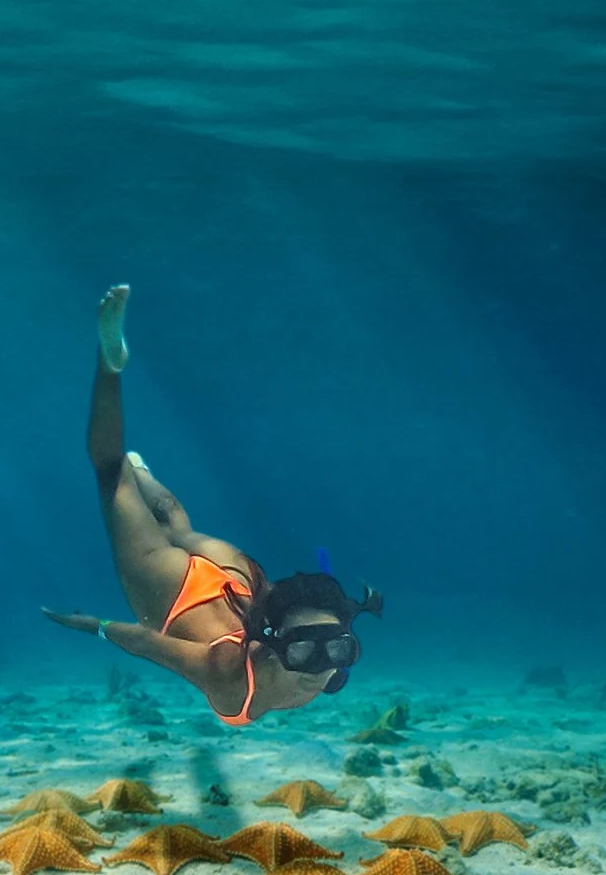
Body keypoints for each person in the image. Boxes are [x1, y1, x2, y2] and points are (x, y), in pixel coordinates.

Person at [42, 286, 381, 727]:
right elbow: (146, 643)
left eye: (339, 649)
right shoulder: (228, 678)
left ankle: (141, 469)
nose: (320, 670)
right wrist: (91, 625)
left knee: (177, 523)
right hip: (176, 591)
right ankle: (110, 367)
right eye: (302, 651)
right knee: (110, 475)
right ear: (275, 643)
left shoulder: (327, 665)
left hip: (239, 578)